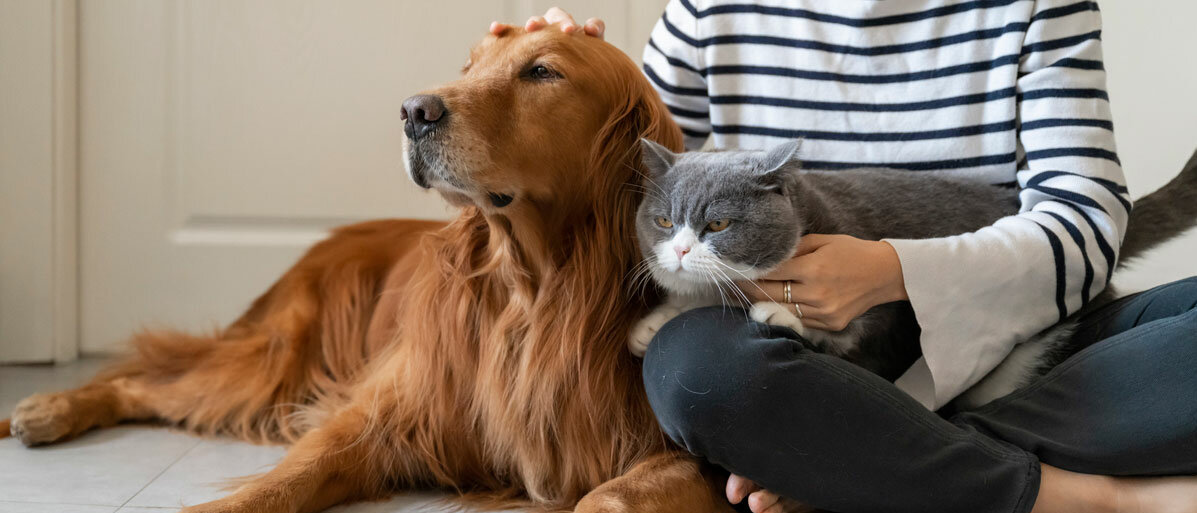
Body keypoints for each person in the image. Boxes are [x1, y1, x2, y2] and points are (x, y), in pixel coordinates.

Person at [493, 4, 1197, 513]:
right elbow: (632, 173)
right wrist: (560, 77)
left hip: (1019, 331)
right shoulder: (706, 12)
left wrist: (893, 271)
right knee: (693, 369)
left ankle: (865, 459)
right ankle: (1076, 496)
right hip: (792, 356)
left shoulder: (1039, 6)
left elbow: (1085, 222)